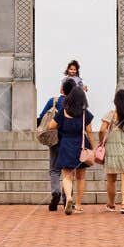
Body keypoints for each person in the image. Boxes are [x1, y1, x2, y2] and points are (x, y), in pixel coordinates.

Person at [38, 62, 82, 211]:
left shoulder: (54, 101)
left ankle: (55, 192)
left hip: (54, 139)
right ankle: (67, 198)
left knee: (54, 169)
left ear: (62, 89)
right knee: (68, 171)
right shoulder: (77, 104)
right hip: (70, 140)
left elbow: (42, 116)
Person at [53, 81, 93, 215]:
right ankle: (79, 205)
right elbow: (89, 131)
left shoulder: (63, 111)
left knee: (66, 175)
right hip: (81, 145)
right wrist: (93, 146)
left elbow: (51, 126)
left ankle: (69, 197)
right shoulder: (85, 113)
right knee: (81, 177)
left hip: (66, 144)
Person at [98, 89, 124, 213]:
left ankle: (111, 204)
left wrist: (101, 141)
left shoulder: (111, 114)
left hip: (112, 149)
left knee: (111, 179)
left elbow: (102, 130)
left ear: (116, 101)